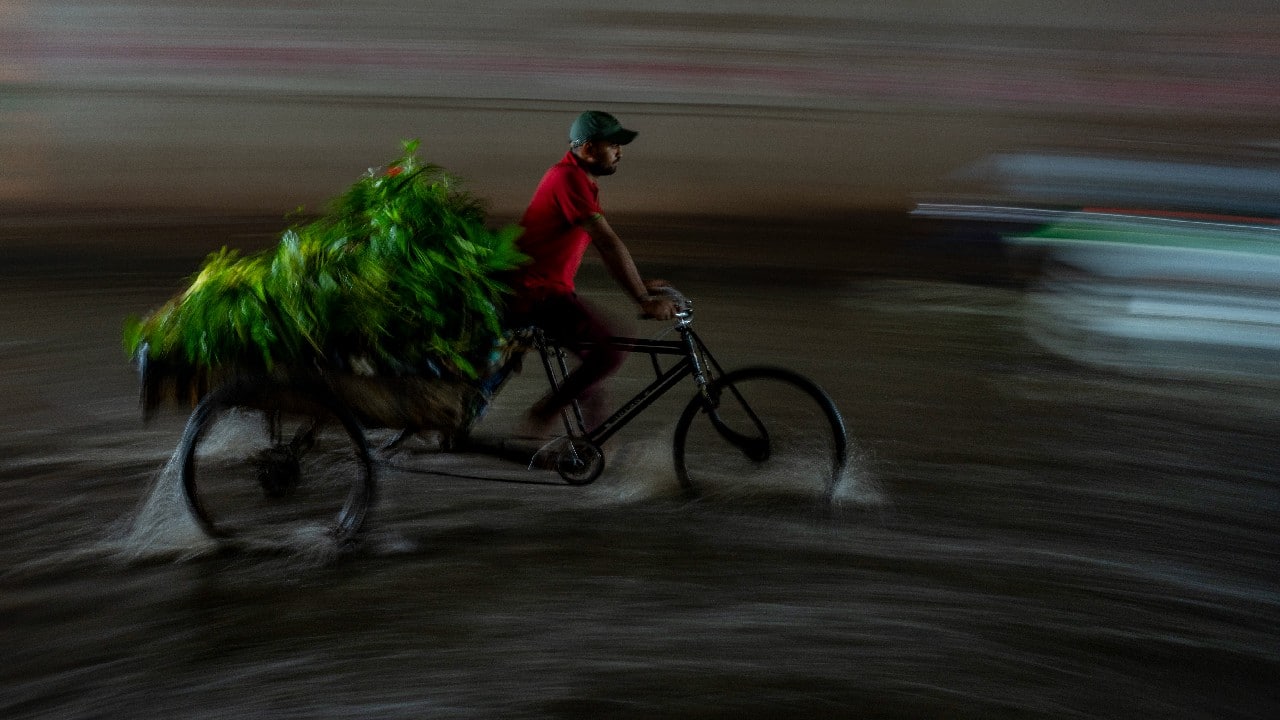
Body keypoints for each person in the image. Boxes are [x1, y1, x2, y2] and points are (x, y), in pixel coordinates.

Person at [507, 110, 678, 436]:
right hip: (534, 293)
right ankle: (540, 418)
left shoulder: (580, 180)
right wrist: (642, 299)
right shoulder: (566, 178)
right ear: (587, 149)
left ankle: (591, 447)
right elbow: (608, 244)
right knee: (612, 348)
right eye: (612, 144)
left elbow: (606, 247)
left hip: (548, 291)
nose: (620, 152)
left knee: (594, 365)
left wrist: (640, 283)